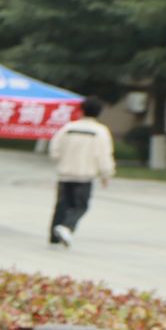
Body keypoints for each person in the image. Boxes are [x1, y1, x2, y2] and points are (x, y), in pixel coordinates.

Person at [50, 97, 116, 247]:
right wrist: (106, 174)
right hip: (84, 175)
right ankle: (67, 227)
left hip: (65, 173)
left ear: (81, 109)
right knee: (80, 206)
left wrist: (61, 160)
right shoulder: (100, 131)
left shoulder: (68, 128)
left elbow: (55, 149)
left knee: (61, 205)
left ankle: (53, 236)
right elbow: (104, 155)